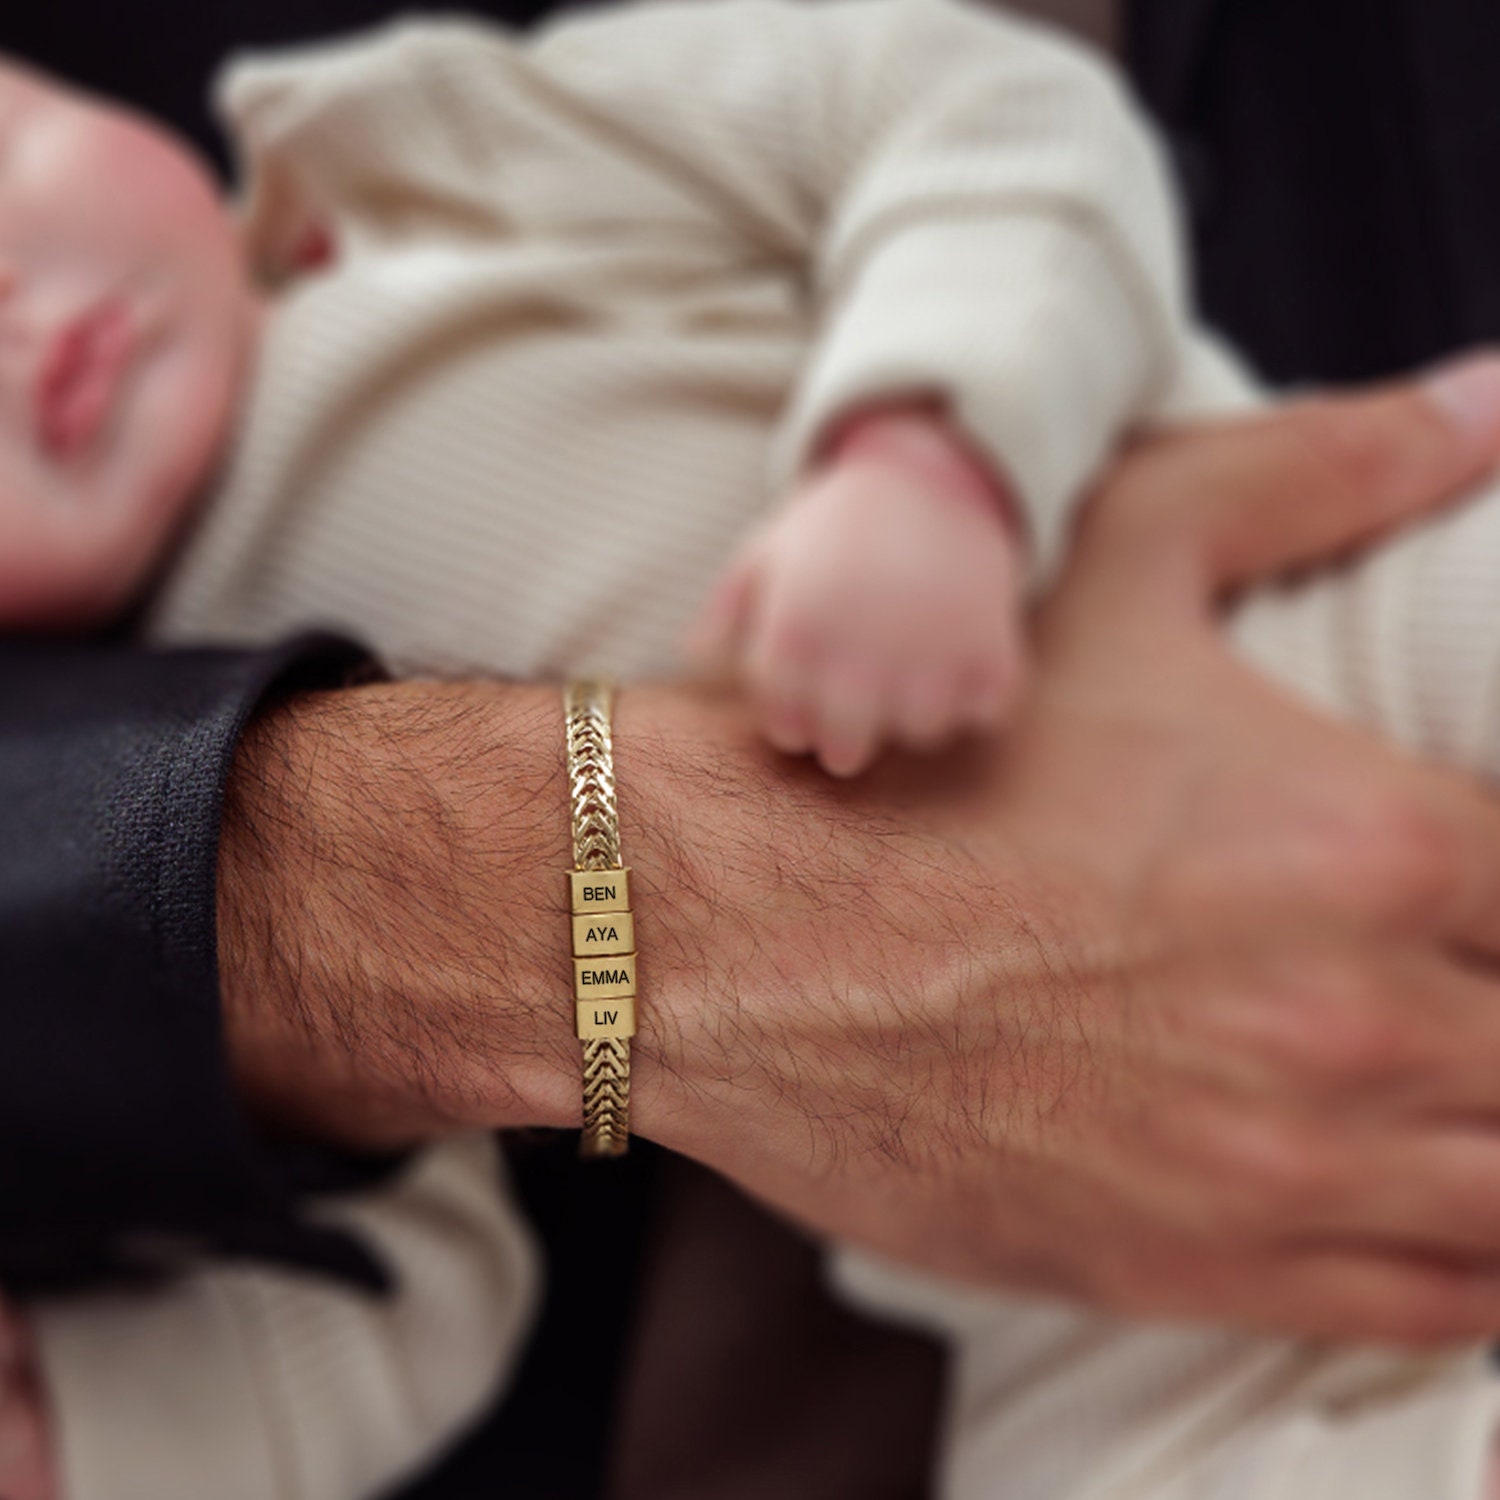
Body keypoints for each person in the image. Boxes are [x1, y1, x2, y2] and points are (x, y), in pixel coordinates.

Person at [6, 2, 1500, 1498]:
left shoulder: (430, 154)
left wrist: (929, 449)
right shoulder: (170, 823)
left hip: (1302, 637)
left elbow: (986, 116)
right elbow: (410, 1288)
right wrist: (94, 1432)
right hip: (1043, 1217)